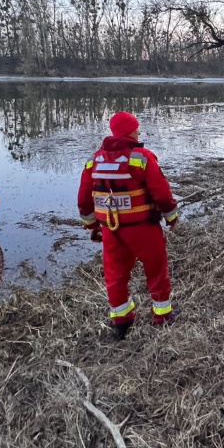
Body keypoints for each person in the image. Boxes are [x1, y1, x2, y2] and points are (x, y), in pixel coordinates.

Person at [78, 111, 179, 340]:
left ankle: (121, 322)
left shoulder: (94, 159)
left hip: (111, 229)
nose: (139, 131)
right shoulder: (142, 157)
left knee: (115, 275)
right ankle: (162, 316)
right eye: (136, 128)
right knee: (156, 269)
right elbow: (162, 193)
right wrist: (171, 217)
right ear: (130, 131)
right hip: (142, 226)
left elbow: (84, 199)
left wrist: (92, 225)